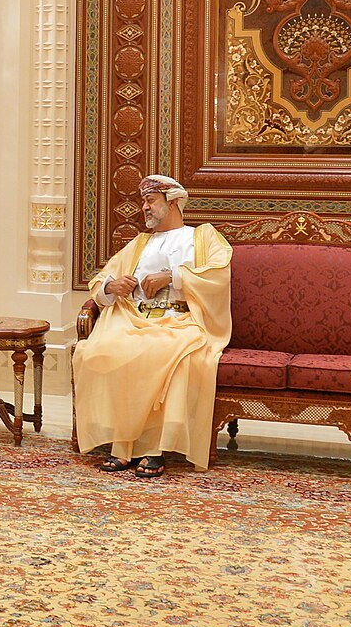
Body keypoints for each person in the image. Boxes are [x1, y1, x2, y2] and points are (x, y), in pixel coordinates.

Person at [71, 175, 233, 479]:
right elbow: (100, 281)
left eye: (150, 201)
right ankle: (123, 443)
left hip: (181, 320)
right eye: (143, 201)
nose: (144, 207)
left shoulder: (202, 237)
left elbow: (218, 274)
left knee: (162, 354)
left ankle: (151, 449)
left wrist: (172, 277)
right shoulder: (140, 243)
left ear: (172, 202)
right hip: (134, 318)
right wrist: (113, 286)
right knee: (98, 350)